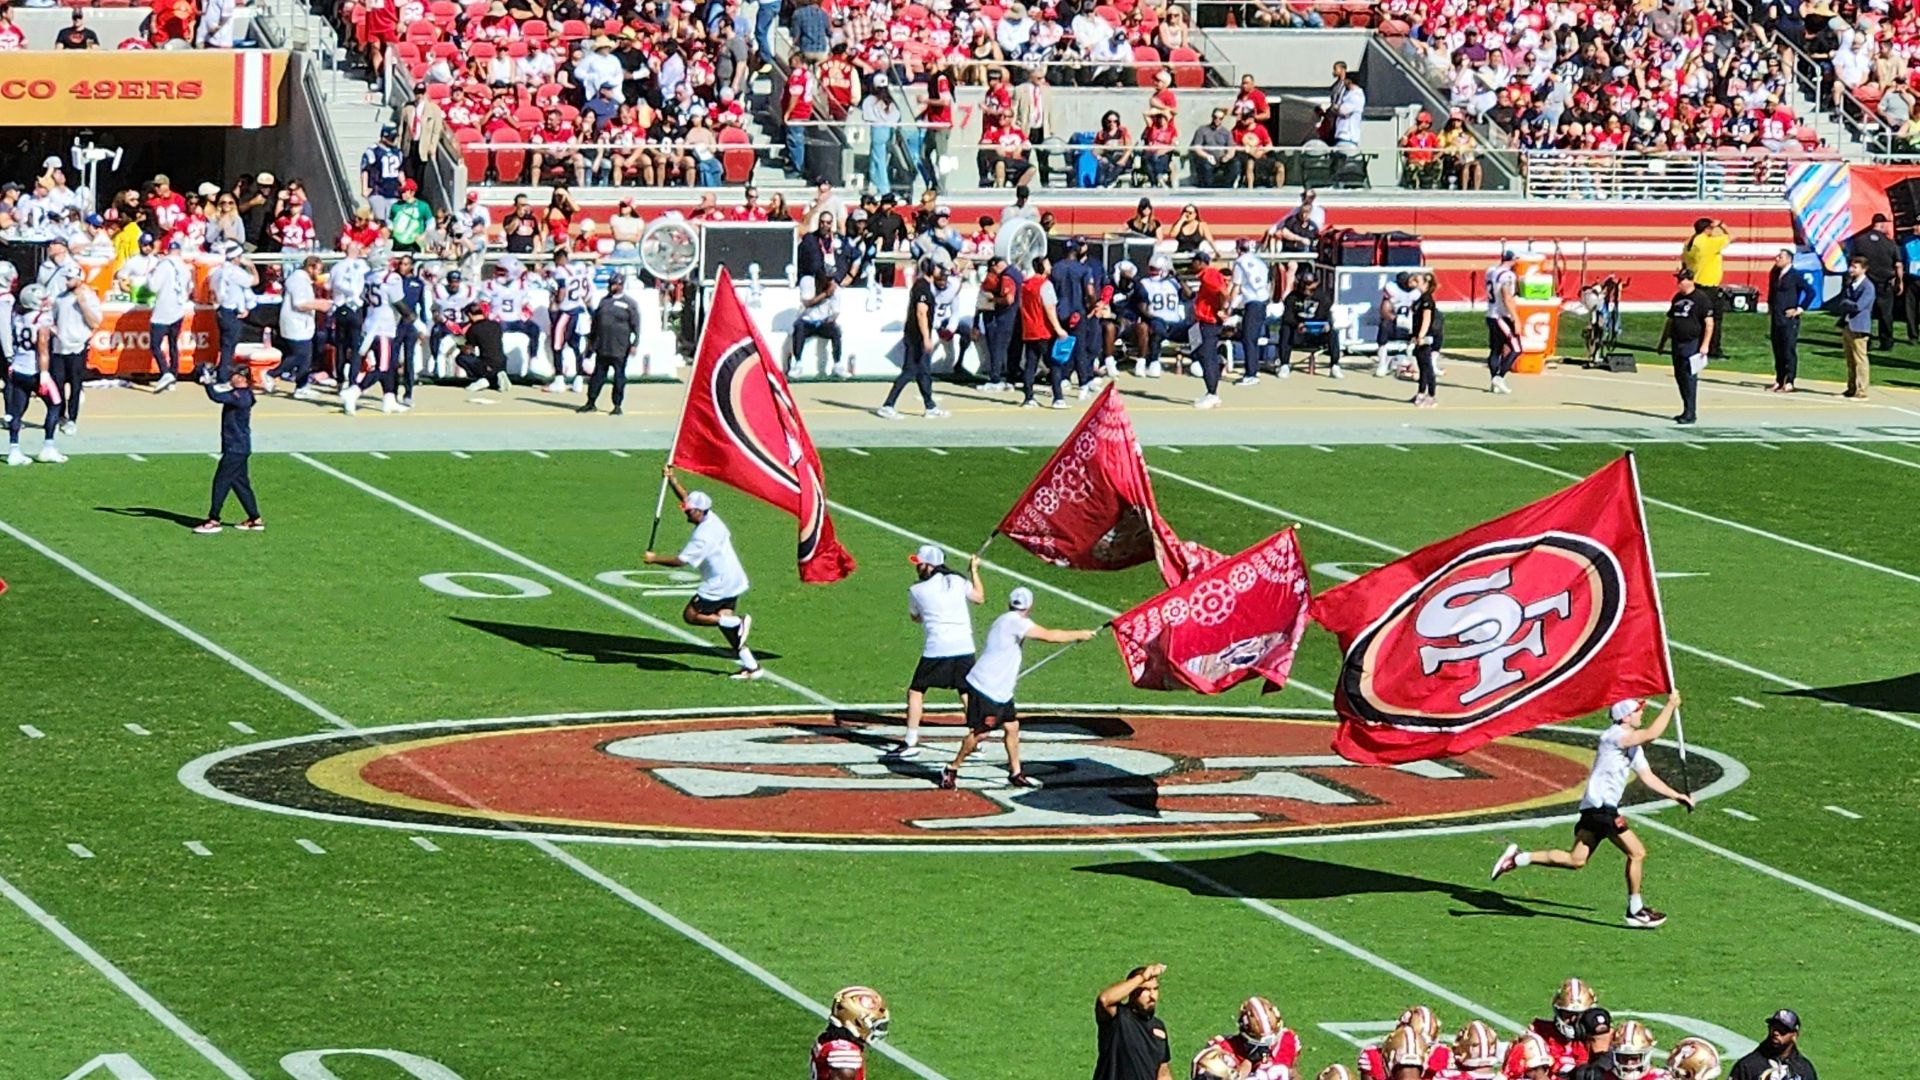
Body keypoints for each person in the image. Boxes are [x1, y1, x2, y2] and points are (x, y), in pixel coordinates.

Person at [1491, 693, 1694, 928]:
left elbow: (1647, 776)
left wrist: (1676, 795)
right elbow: (1652, 734)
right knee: (1637, 853)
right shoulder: (1614, 737)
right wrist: (1670, 706)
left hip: (1595, 809)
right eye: (1638, 711)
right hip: (1601, 809)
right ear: (1626, 717)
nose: (1641, 714)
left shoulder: (1632, 746)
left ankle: (1518, 858)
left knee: (1575, 860)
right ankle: (1635, 910)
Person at [938, 587, 1096, 790]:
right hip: (988, 687)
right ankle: (952, 768)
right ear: (1029, 607)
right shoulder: (1016, 622)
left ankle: (1016, 772)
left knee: (1012, 727)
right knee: (981, 733)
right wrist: (1079, 634)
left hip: (1001, 689)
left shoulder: (1005, 619)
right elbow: (1049, 635)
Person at [643, 467, 761, 679]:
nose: (685, 511)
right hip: (733, 578)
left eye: (689, 510)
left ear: (699, 511)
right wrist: (672, 481)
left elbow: (680, 561)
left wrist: (654, 559)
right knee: (726, 624)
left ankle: (736, 623)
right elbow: (687, 497)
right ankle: (751, 667)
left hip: (719, 582)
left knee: (691, 615)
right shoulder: (711, 517)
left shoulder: (703, 536)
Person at [890, 544, 984, 759]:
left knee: (916, 691)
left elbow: (915, 617)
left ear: (930, 565)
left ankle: (911, 740)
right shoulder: (959, 581)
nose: (917, 567)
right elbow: (979, 597)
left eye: (920, 563)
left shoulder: (916, 590)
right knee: (966, 692)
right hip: (964, 646)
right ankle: (975, 739)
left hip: (937, 648)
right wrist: (975, 571)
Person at [878, 260, 950, 420]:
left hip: (916, 336)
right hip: (915, 337)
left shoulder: (923, 286)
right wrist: (926, 337)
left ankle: (930, 406)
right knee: (910, 370)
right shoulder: (922, 287)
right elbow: (921, 313)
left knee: (923, 372)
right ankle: (888, 405)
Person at [194, 369, 263, 534]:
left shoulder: (241, 397)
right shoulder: (243, 395)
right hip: (240, 447)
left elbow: (217, 397)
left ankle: (213, 519)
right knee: (240, 484)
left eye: (237, 376)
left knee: (221, 482)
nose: (233, 378)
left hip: (235, 448)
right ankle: (255, 518)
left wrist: (208, 383)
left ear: (244, 379)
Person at [342, 252, 410, 415]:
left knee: (389, 364)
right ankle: (355, 391)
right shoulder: (391, 278)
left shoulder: (368, 277)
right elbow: (398, 302)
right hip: (384, 327)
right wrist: (412, 318)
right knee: (383, 367)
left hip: (370, 323)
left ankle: (389, 399)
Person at [6, 284, 66, 466]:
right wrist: (45, 374)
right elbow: (42, 349)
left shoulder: (17, 316)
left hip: (18, 368)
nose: (46, 301)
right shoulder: (42, 319)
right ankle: (48, 447)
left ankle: (14, 450)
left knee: (17, 411)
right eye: (42, 299)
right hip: (35, 369)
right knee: (55, 403)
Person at [1092, 965, 1171, 1080]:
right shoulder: (1118, 1018)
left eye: (1155, 989)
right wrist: (1142, 977)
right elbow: (1104, 1000)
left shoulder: (1158, 1027)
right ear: (1132, 990)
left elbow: (1163, 1072)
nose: (1152, 996)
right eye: (1146, 990)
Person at [1655, 270, 1713, 425]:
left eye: (1682, 280)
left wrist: (1705, 344)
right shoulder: (1677, 298)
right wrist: (1662, 342)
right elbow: (1670, 322)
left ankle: (1690, 412)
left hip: (1692, 343)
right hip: (1677, 342)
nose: (1679, 283)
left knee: (1689, 377)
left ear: (1690, 280)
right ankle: (1685, 408)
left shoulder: (1701, 299)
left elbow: (1709, 323)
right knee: (1679, 376)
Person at [1504, 979, 1594, 1078]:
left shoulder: (1595, 1037)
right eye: (1568, 1014)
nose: (1573, 1020)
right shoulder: (1539, 1035)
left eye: (1579, 1015)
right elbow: (1538, 1076)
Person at [579, 274, 641, 415]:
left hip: (620, 347)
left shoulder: (629, 304)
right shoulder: (604, 301)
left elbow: (636, 325)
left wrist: (635, 343)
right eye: (612, 283)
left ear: (622, 285)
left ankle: (617, 405)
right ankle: (591, 402)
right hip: (603, 346)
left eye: (616, 284)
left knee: (619, 377)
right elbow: (595, 323)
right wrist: (592, 342)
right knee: (597, 376)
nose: (613, 286)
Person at [274, 254, 331, 401]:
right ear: (310, 267)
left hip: (303, 324)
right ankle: (271, 374)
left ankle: (302, 386)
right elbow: (299, 303)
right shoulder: (298, 281)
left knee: (306, 357)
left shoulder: (304, 281)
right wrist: (320, 305)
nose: (319, 274)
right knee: (298, 355)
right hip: (295, 323)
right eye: (318, 270)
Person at [1019, 253, 1072, 408]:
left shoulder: (1026, 285)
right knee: (1054, 364)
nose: (1051, 267)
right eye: (1048, 264)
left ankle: (1028, 397)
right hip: (1043, 330)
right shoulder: (1045, 285)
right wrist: (1059, 329)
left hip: (1029, 330)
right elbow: (1050, 309)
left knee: (1031, 364)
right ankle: (1058, 398)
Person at [1198, 997, 1299, 1078]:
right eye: (1260, 1041)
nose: (1268, 1045)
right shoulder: (1223, 1050)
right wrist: (1248, 1062)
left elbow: (1293, 1074)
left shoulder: (1288, 1040)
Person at [1845, 213, 1902, 351]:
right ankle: (1886, 342)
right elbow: (1898, 264)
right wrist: (1900, 282)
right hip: (1884, 283)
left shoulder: (1860, 240)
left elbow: (1851, 260)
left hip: (1865, 282)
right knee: (1885, 314)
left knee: (1865, 312)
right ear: (1882, 224)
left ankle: (1865, 340)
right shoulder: (1889, 243)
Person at [811, 986, 890, 1080]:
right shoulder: (844, 1053)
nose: (875, 1030)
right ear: (857, 1022)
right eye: (873, 1023)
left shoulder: (829, 1039)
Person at [1679, 218, 1731, 358]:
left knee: (1697, 317)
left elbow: (1683, 260)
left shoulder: (1690, 243)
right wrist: (1721, 225)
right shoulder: (1708, 243)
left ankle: (1696, 345)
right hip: (1709, 285)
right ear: (1707, 229)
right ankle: (1713, 349)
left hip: (1695, 284)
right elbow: (1731, 237)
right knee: (1713, 318)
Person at [1766, 249, 1815, 394]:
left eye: (1780, 257)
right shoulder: (1775, 274)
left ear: (1789, 259)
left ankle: (1790, 380)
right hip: (1776, 317)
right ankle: (1779, 379)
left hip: (1789, 319)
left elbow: (1811, 292)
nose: (1777, 259)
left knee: (1788, 350)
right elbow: (1772, 292)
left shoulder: (1795, 275)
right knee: (1778, 349)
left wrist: (1799, 309)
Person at [209, 242, 259, 382]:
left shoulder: (218, 271)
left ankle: (222, 372)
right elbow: (255, 281)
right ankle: (223, 377)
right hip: (230, 312)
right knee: (229, 347)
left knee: (226, 345)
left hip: (221, 310)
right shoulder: (235, 272)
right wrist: (251, 267)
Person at [147, 237, 192, 392]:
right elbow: (189, 287)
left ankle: (165, 372)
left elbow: (153, 287)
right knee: (173, 344)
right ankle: (173, 374)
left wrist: (149, 275)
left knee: (155, 345)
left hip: (162, 311)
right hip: (178, 309)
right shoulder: (185, 267)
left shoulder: (163, 265)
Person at [547, 248, 593, 393]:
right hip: (579, 311)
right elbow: (587, 294)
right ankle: (578, 379)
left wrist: (555, 298)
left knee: (557, 345)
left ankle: (559, 379)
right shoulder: (577, 269)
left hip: (566, 312)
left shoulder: (560, 272)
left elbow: (561, 294)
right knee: (576, 345)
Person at [1229, 239, 1272, 385]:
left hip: (1252, 303)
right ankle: (1252, 370)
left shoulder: (1240, 263)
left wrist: (1229, 306)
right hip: (1263, 301)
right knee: (1252, 338)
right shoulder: (1260, 262)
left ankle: (1251, 373)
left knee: (1249, 339)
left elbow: (1236, 286)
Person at [1189, 249, 1227, 409]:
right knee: (1204, 354)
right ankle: (1212, 391)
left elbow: (1222, 291)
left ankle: (1212, 392)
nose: (1192, 265)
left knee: (1207, 357)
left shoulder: (1208, 275)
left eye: (1194, 261)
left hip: (1209, 322)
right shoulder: (1210, 274)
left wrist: (1222, 308)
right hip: (1207, 322)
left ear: (1200, 262)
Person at [791, 271, 844, 378]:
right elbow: (807, 303)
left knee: (836, 330)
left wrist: (831, 319)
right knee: (798, 327)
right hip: (807, 321)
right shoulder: (807, 282)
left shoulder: (835, 288)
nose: (830, 281)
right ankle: (798, 364)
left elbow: (836, 312)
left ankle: (837, 364)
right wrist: (825, 294)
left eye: (832, 279)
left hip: (823, 322)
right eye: (828, 279)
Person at [1837, 255, 1876, 400]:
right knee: (1850, 359)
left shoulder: (1868, 287)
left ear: (1864, 269)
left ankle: (1862, 390)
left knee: (1860, 359)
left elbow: (1859, 305)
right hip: (1848, 324)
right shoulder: (1850, 283)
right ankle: (1851, 387)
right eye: (1851, 266)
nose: (1851, 269)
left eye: (1855, 267)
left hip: (1859, 326)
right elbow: (1842, 300)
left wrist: (1846, 303)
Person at [454, 303, 511, 393]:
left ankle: (482, 379)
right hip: (502, 362)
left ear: (469, 315)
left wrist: (459, 345)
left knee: (461, 358)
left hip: (487, 365)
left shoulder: (473, 329)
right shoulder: (496, 325)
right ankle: (498, 376)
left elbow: (468, 350)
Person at [1484, 251, 1519, 394]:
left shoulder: (1491, 271)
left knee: (1496, 349)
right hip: (1501, 315)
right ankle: (1499, 377)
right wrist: (1516, 318)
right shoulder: (1507, 275)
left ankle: (1494, 381)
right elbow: (1506, 297)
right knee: (1516, 348)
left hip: (1491, 313)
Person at [1409, 272, 1441, 407]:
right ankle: (1421, 392)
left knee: (1427, 366)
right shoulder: (1420, 299)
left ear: (1426, 284)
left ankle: (1432, 395)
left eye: (1419, 281)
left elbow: (1426, 319)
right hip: (1418, 335)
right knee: (1421, 366)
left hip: (1425, 336)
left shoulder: (1427, 300)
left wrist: (1421, 336)